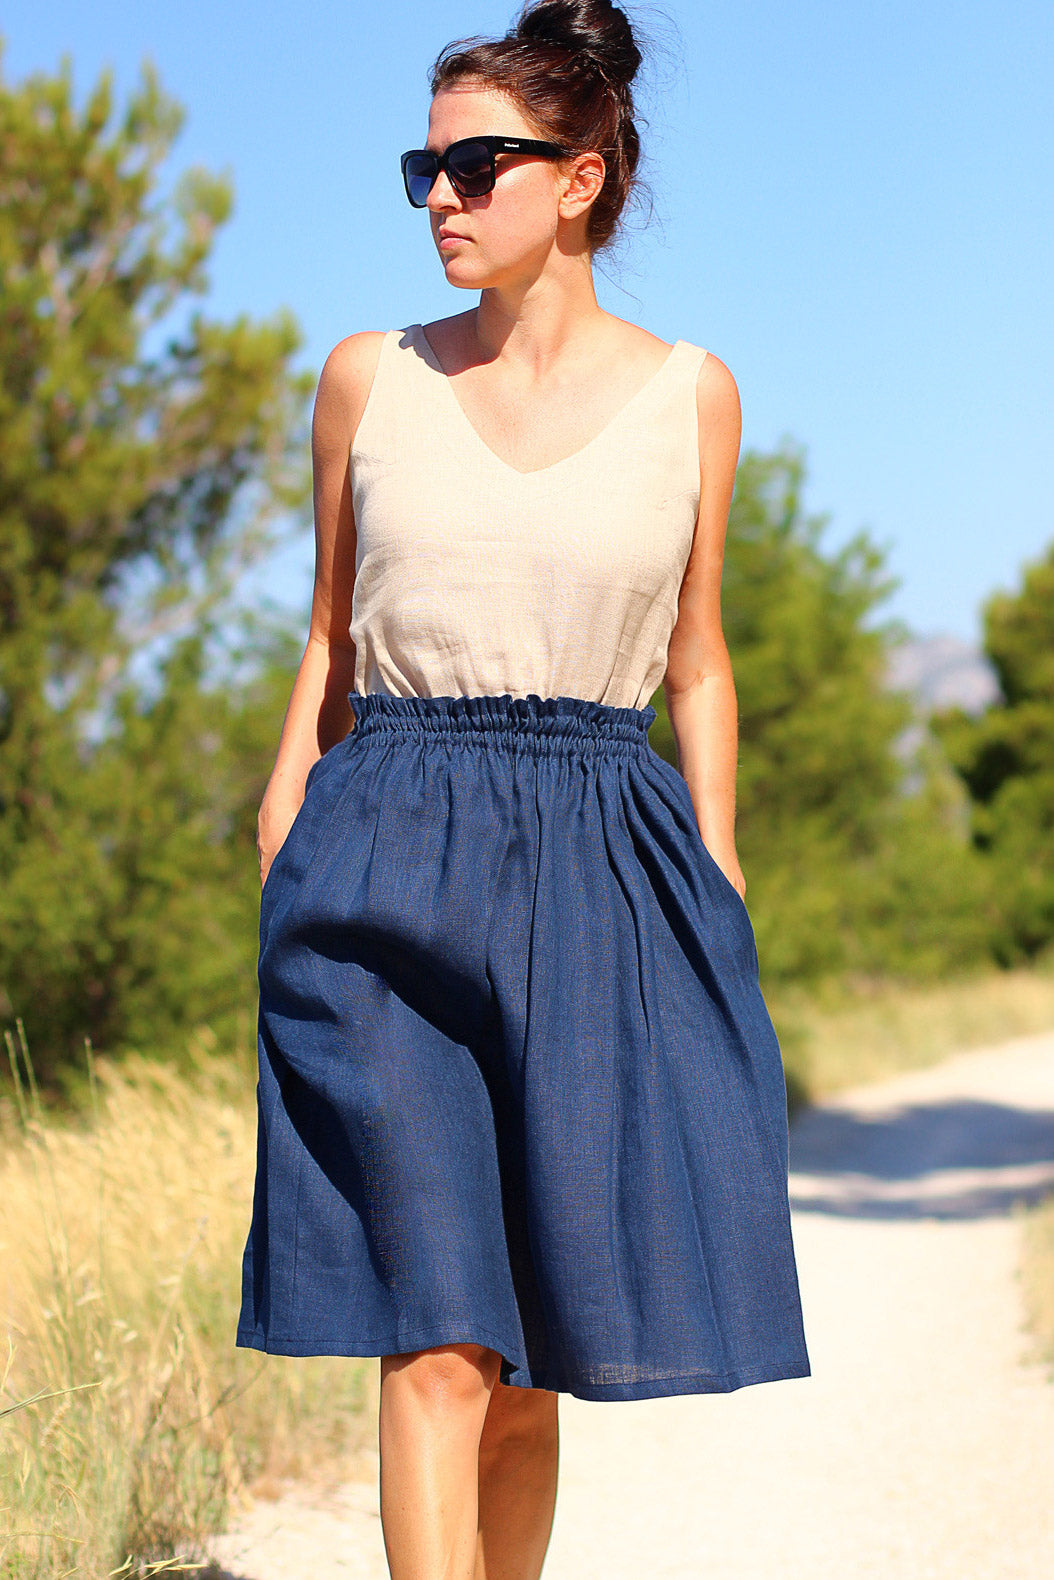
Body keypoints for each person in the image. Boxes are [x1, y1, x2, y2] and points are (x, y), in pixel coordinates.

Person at [235, 1, 811, 1575]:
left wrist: (717, 857)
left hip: (597, 853)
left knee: (527, 1358)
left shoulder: (693, 393)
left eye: (477, 164)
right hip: (386, 852)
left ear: (583, 177)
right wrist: (288, 808)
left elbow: (695, 654)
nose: (439, 195)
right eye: (422, 166)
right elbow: (330, 632)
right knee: (431, 1334)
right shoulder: (367, 379)